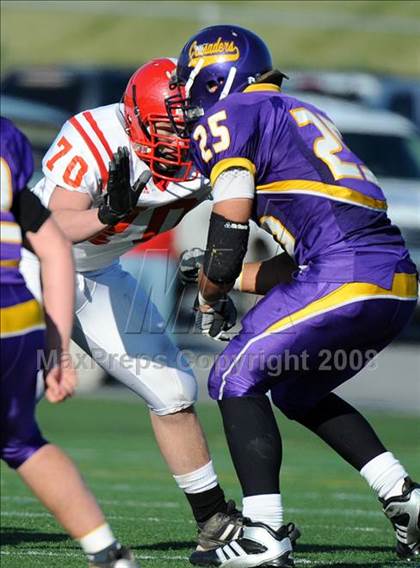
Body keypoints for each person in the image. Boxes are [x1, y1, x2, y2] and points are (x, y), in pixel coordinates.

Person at [168, 25, 420, 567]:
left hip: (346, 272)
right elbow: (301, 254)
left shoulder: (231, 114)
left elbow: (230, 221)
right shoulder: (297, 113)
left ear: (216, 74)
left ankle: (263, 531)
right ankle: (403, 495)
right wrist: (227, 278)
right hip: (393, 280)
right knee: (297, 390)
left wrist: (211, 291)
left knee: (234, 375)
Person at [19, 59, 244, 552]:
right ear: (136, 118)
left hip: (99, 272)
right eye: (166, 126)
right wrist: (105, 211)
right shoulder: (95, 133)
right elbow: (55, 226)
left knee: (174, 388)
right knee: (12, 398)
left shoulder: (212, 146)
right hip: (32, 263)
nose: (178, 137)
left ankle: (212, 520)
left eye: (185, 123)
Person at [0, 117, 138, 567]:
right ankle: (107, 552)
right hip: (15, 317)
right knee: (22, 442)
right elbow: (55, 250)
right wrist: (56, 349)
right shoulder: (7, 142)